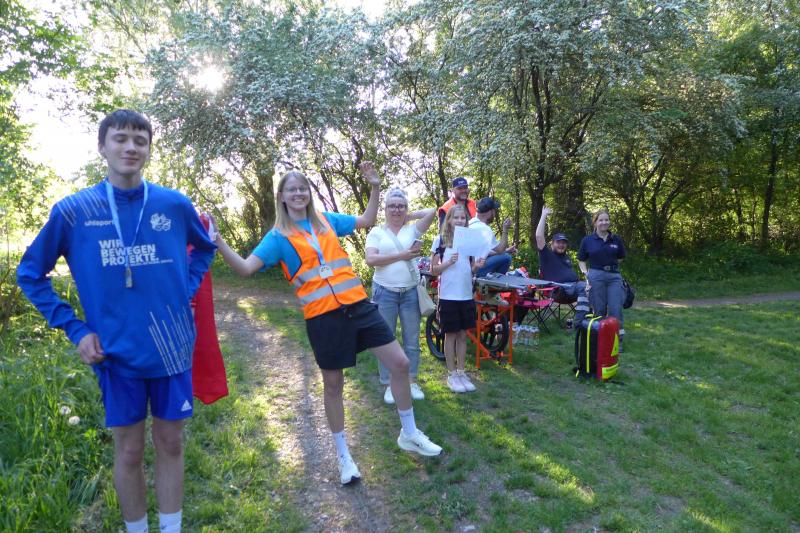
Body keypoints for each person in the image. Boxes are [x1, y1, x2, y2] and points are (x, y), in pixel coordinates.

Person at [17, 109, 216, 533]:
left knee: (171, 443)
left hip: (171, 346)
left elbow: (205, 248)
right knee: (128, 451)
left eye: (140, 141)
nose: (130, 147)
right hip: (114, 353)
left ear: (149, 150)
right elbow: (30, 273)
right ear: (102, 147)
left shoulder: (174, 204)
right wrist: (75, 329)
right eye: (121, 138)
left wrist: (184, 288)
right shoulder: (74, 211)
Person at [212, 163, 443, 486]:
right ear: (281, 197)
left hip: (358, 305)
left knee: (400, 364)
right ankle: (343, 455)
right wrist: (219, 241)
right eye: (291, 189)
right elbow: (245, 268)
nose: (298, 193)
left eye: (302, 188)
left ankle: (409, 432)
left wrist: (375, 186)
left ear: (308, 193)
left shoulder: (326, 220)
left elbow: (366, 220)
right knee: (333, 386)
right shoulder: (278, 237)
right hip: (323, 317)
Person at [365, 187, 437, 405]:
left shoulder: (412, 230)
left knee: (412, 340)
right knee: (385, 340)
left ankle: (411, 381)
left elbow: (432, 211)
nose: (396, 210)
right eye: (392, 206)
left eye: (401, 206)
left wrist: (409, 215)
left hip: (410, 293)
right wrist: (402, 255)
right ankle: (389, 384)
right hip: (384, 292)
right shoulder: (376, 232)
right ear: (385, 209)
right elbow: (371, 260)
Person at [430, 204, 485, 393]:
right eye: (456, 218)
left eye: (463, 218)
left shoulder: (469, 241)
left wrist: (477, 265)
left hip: (466, 295)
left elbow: (470, 269)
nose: (460, 221)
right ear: (449, 220)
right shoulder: (440, 240)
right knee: (450, 335)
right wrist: (448, 263)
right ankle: (451, 374)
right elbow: (433, 270)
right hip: (448, 296)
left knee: (463, 335)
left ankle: (462, 372)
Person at [577, 209, 627, 350]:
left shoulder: (616, 239)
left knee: (616, 309)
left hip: (614, 277)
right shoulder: (587, 240)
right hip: (595, 276)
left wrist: (610, 266)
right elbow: (581, 260)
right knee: (599, 310)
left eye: (606, 220)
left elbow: (621, 257)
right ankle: (599, 339)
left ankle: (617, 341)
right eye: (601, 220)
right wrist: (585, 273)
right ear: (595, 222)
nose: (604, 222)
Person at [535, 206, 590, 324]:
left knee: (592, 285)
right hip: (558, 290)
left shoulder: (566, 257)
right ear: (552, 244)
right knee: (586, 287)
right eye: (558, 242)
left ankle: (590, 319)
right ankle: (580, 322)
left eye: (564, 243)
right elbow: (539, 237)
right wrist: (544, 215)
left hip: (573, 287)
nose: (561, 245)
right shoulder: (546, 255)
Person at [468, 197, 517, 279]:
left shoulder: (470, 223)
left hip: (467, 268)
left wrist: (507, 250)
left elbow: (485, 253)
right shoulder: (484, 229)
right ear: (489, 212)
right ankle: (494, 283)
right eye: (494, 211)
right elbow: (500, 249)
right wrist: (505, 229)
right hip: (475, 269)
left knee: (505, 254)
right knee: (506, 257)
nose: (495, 213)